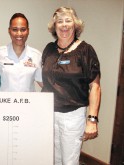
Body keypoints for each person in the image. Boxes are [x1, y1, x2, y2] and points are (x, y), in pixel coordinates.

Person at [41, 7, 101, 165]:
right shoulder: (49, 49)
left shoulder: (85, 51)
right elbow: (45, 81)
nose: (64, 25)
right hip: (49, 114)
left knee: (69, 161)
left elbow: (95, 86)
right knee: (52, 159)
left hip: (72, 116)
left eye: (68, 20)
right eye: (59, 21)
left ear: (75, 25)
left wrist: (92, 120)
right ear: (54, 27)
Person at [0, 13, 43, 91]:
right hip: (5, 102)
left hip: (28, 102)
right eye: (15, 29)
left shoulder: (36, 56)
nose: (19, 33)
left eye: (23, 29)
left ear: (28, 31)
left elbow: (43, 84)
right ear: (9, 31)